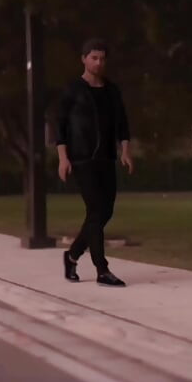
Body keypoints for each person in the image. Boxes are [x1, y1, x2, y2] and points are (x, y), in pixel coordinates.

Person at [56, 38, 134, 286]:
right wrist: (63, 159)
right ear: (84, 59)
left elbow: (122, 123)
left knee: (105, 211)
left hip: (106, 158)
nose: (98, 63)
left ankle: (72, 255)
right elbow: (60, 127)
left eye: (102, 58)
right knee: (96, 210)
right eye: (94, 58)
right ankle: (102, 269)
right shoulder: (73, 90)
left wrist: (125, 151)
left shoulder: (112, 90)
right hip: (81, 159)